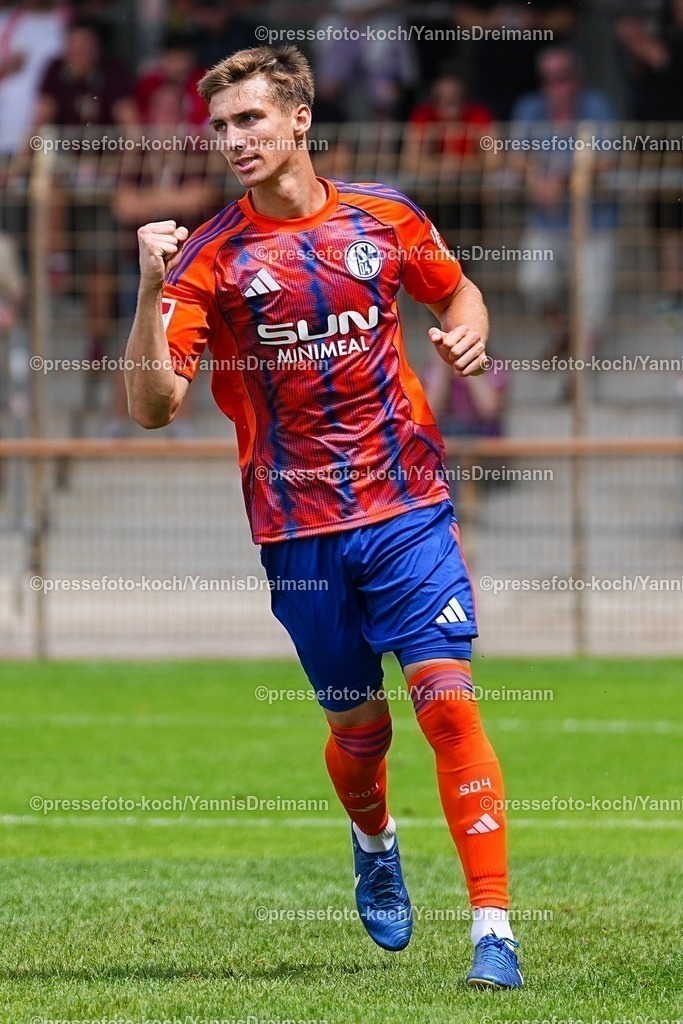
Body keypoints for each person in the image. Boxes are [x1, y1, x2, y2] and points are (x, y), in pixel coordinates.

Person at [124, 45, 523, 990]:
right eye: (221, 126)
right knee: (361, 731)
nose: (233, 141)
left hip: (409, 505)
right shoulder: (208, 261)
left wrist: (471, 324)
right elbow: (152, 405)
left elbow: (454, 285)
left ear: (299, 118)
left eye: (250, 120)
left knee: (447, 704)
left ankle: (494, 932)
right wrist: (149, 288)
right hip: (297, 531)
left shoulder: (385, 216)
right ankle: (373, 837)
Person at [511, 46, 617, 370]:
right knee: (533, 282)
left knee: (593, 298)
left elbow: (608, 158)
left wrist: (562, 179)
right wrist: (535, 178)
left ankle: (580, 371)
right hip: (547, 221)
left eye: (563, 77)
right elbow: (515, 155)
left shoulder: (596, 106)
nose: (556, 86)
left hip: (595, 221)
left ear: (577, 78)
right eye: (548, 79)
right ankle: (564, 333)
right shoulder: (531, 107)